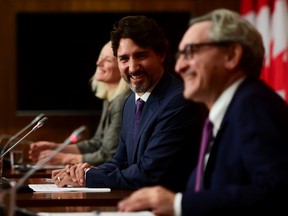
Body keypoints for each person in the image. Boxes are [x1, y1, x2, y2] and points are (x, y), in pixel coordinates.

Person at [117, 8, 288, 215]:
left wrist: (178, 204)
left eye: (190, 52)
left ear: (231, 55)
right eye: (180, 56)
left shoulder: (253, 105)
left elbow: (277, 194)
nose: (179, 66)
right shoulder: (230, 110)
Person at [51, 15, 208, 192]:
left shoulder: (179, 101)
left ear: (161, 55)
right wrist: (80, 173)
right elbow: (120, 161)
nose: (132, 67)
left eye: (140, 56)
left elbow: (149, 174)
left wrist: (88, 177)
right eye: (124, 59)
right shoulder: (130, 102)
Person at [28, 41, 131, 166]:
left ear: (122, 67)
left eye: (108, 60)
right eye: (100, 58)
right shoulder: (109, 99)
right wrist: (57, 148)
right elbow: (97, 143)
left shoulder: (122, 102)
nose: (98, 63)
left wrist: (64, 158)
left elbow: (108, 156)